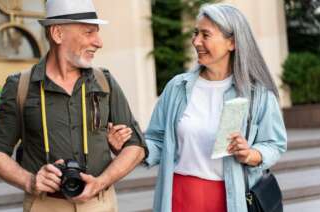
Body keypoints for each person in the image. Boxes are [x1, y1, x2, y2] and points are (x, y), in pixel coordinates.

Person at [108, 3, 287, 212]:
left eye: (205, 35)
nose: (196, 41)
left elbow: (274, 144)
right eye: (196, 33)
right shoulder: (177, 87)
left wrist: (250, 154)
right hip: (180, 196)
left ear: (232, 42)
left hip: (231, 199)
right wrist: (128, 148)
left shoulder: (258, 94)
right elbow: (157, 140)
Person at [0, 0, 147, 211]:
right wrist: (29, 181)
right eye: (89, 32)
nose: (99, 42)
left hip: (100, 204)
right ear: (58, 34)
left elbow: (137, 147)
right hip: (45, 205)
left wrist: (101, 181)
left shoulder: (105, 81)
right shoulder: (20, 86)